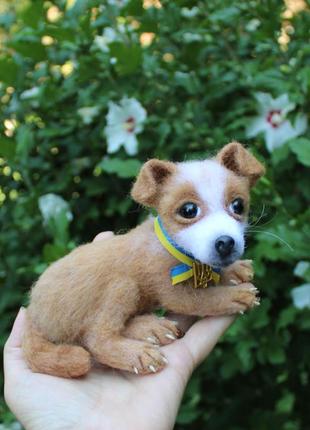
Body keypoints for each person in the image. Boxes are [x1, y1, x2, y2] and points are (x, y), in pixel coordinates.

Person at [4, 232, 234, 430]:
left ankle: (123, 329)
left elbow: (184, 277)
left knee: (129, 289)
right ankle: (106, 341)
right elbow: (175, 294)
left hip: (78, 308)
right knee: (124, 288)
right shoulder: (158, 248)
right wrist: (223, 295)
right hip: (61, 304)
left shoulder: (175, 247)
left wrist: (224, 272)